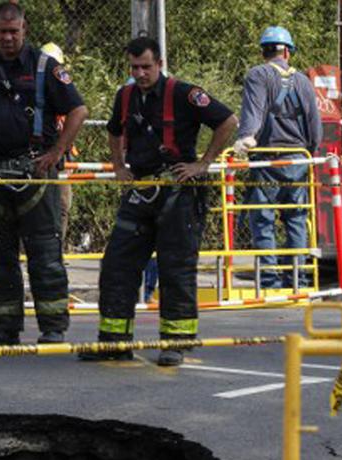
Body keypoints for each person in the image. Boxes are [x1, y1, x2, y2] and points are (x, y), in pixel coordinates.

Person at [81, 37, 236, 367]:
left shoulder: (184, 93)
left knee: (175, 268)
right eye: (134, 67)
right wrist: (119, 167)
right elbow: (113, 131)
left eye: (146, 67)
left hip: (179, 193)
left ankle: (175, 342)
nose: (140, 73)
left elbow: (228, 122)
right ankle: (113, 341)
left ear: (160, 64)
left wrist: (203, 163)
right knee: (116, 265)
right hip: (140, 191)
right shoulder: (125, 97)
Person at [0, 2, 87, 345]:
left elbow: (78, 110)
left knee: (45, 256)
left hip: (36, 176)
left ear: (24, 29)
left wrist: (57, 151)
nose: (7, 38)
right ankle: (5, 328)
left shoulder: (46, 68)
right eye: (2, 32)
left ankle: (53, 328)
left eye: (13, 31)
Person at [233, 26, 321, 289]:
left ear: (264, 51)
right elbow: (314, 125)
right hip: (297, 158)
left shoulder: (258, 75)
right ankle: (297, 278)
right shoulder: (304, 81)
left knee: (263, 220)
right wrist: (310, 153)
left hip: (266, 159)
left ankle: (269, 280)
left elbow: (254, 111)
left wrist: (247, 137)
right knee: (296, 220)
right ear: (287, 51)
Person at [40, 41, 75, 244]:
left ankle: (57, 249)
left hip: (62, 162)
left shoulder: (66, 95)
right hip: (39, 159)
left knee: (62, 206)